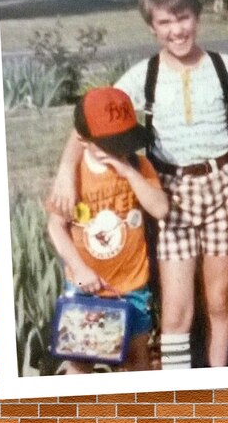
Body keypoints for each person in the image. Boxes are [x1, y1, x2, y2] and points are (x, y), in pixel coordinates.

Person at [48, 0, 228, 370]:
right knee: (177, 312)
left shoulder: (222, 67)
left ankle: (218, 379)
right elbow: (89, 122)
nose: (177, 30)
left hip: (222, 193)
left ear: (197, 16)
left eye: (183, 18)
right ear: (151, 27)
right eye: (165, 22)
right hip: (170, 195)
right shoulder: (144, 76)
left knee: (218, 299)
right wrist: (65, 170)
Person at [46, 87, 169, 373]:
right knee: (80, 360)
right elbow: (56, 227)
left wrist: (128, 172)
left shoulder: (137, 165)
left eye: (124, 142)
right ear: (83, 140)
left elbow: (160, 208)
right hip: (84, 285)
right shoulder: (74, 176)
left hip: (131, 285)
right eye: (112, 143)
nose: (120, 150)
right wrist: (79, 270)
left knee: (138, 359)